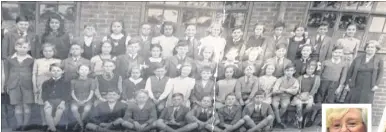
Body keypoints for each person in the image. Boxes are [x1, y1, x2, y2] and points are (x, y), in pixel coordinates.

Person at [3, 38, 35, 131]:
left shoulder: (32, 60)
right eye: (19, 46)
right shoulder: (9, 59)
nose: (22, 49)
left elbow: (34, 73)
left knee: (27, 105)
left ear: (29, 48)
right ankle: (19, 124)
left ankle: (26, 125)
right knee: (17, 105)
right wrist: (6, 85)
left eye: (24, 47)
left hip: (28, 86)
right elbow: (6, 73)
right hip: (13, 85)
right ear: (15, 47)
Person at [32, 43, 61, 127]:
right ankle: (44, 123)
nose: (48, 53)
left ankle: (53, 123)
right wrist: (34, 86)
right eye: (45, 51)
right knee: (43, 103)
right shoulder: (37, 61)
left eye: (50, 51)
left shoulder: (58, 61)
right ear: (42, 52)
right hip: (40, 83)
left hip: (53, 83)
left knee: (53, 102)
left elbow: (60, 74)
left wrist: (51, 74)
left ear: (53, 52)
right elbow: (34, 74)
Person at [41, 63, 71, 132]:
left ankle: (50, 128)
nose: (56, 72)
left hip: (61, 101)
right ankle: (53, 129)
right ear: (50, 71)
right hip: (49, 101)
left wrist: (62, 103)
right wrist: (46, 102)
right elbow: (44, 94)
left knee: (59, 112)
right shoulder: (46, 83)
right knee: (47, 112)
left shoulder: (66, 82)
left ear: (62, 71)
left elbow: (67, 94)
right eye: (53, 70)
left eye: (58, 70)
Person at [291, 61, 320, 128]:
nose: (310, 70)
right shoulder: (300, 77)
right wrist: (299, 95)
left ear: (314, 70)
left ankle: (300, 116)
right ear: (305, 69)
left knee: (309, 105)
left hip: (309, 95)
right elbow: (297, 87)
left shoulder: (317, 78)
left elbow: (316, 88)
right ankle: (300, 119)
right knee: (299, 104)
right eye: (308, 69)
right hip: (300, 95)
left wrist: (309, 95)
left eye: (312, 69)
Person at [271, 64, 299, 129]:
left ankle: (274, 120)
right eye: (287, 70)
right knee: (275, 105)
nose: (289, 72)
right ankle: (279, 121)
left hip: (286, 97)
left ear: (294, 71)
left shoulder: (295, 80)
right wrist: (289, 90)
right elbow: (275, 90)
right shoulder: (280, 79)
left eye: (291, 70)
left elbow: (295, 92)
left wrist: (283, 89)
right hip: (277, 96)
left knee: (284, 106)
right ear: (284, 71)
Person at [70, 65, 96, 131]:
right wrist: (77, 100)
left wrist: (86, 100)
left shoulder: (92, 80)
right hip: (76, 99)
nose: (83, 71)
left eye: (86, 70)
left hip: (88, 99)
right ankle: (81, 125)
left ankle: (79, 124)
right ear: (78, 71)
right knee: (74, 109)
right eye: (81, 69)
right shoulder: (73, 81)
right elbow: (72, 92)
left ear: (89, 72)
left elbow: (91, 92)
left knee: (87, 109)